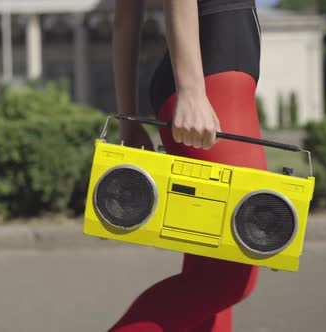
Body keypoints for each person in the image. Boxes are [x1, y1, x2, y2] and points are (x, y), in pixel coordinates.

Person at [111, 0, 267, 331]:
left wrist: (129, 120)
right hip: (214, 83)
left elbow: (125, 18)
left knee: (210, 271)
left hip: (211, 77)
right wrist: (192, 90)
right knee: (231, 275)